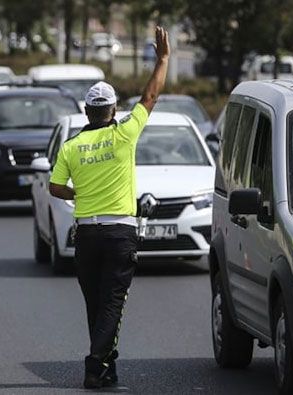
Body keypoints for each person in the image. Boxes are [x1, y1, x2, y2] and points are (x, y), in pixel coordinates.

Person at [48, 26, 170, 389]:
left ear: (87, 111)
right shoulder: (124, 134)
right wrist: (163, 59)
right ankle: (93, 365)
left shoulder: (71, 146)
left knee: (96, 304)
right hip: (120, 233)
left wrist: (78, 193)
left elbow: (55, 187)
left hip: (85, 233)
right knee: (113, 303)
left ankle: (106, 366)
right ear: (114, 109)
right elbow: (150, 96)